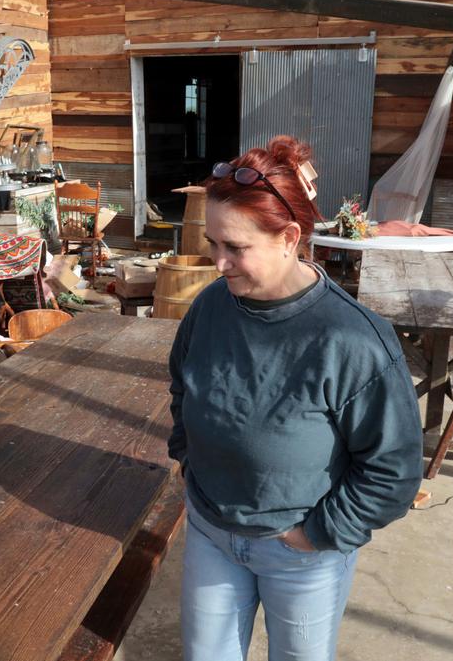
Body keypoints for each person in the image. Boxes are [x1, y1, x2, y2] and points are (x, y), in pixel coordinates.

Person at [168, 135, 423, 661]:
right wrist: (189, 456)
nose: (218, 263)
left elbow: (394, 469)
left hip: (302, 551)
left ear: (288, 237)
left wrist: (319, 533)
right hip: (212, 530)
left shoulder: (352, 340)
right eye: (213, 243)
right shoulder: (213, 305)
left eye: (235, 247)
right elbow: (182, 384)